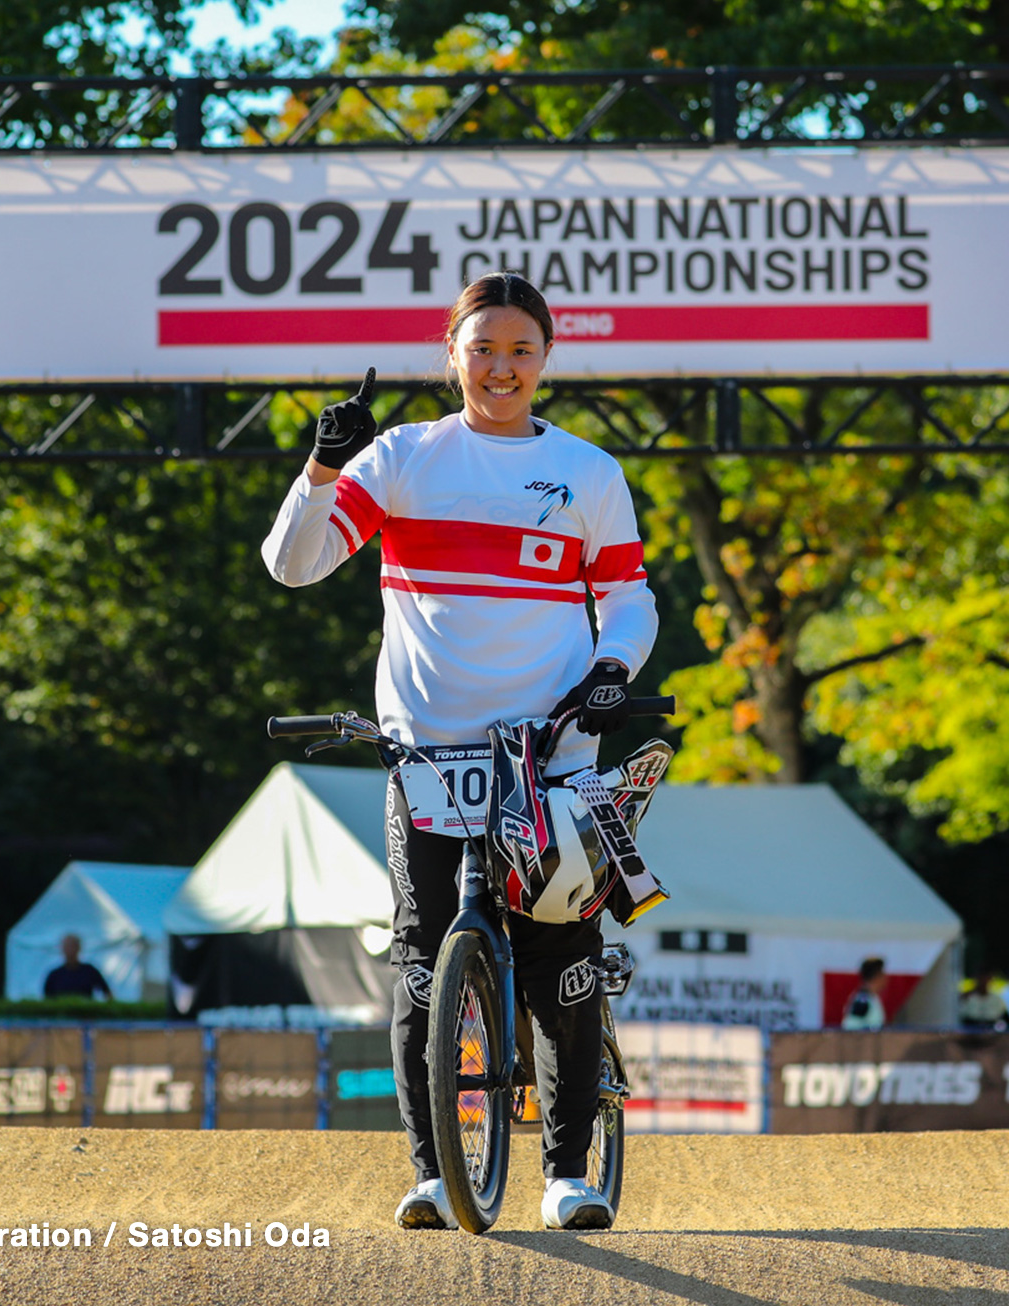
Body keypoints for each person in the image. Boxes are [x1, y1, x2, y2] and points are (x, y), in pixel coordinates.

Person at [262, 271, 657, 1232]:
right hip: (428, 752)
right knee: (422, 962)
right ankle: (437, 1174)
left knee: (561, 950)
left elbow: (631, 597)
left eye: (521, 350)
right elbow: (295, 565)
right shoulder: (401, 458)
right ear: (452, 356)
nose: (501, 367)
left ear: (547, 361)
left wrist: (611, 668)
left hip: (552, 756)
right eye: (482, 348)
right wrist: (320, 470)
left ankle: (569, 1173)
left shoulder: (591, 472)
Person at [43, 934, 112, 1000]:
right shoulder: (54, 975)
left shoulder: (90, 971)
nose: (70, 950)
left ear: (79, 948)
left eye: (73, 946)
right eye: (67, 946)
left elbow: (107, 993)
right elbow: (46, 999)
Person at [842, 958, 888, 1030]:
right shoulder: (863, 999)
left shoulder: (872, 997)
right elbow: (851, 1027)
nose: (886, 977)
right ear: (877, 976)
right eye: (883, 973)